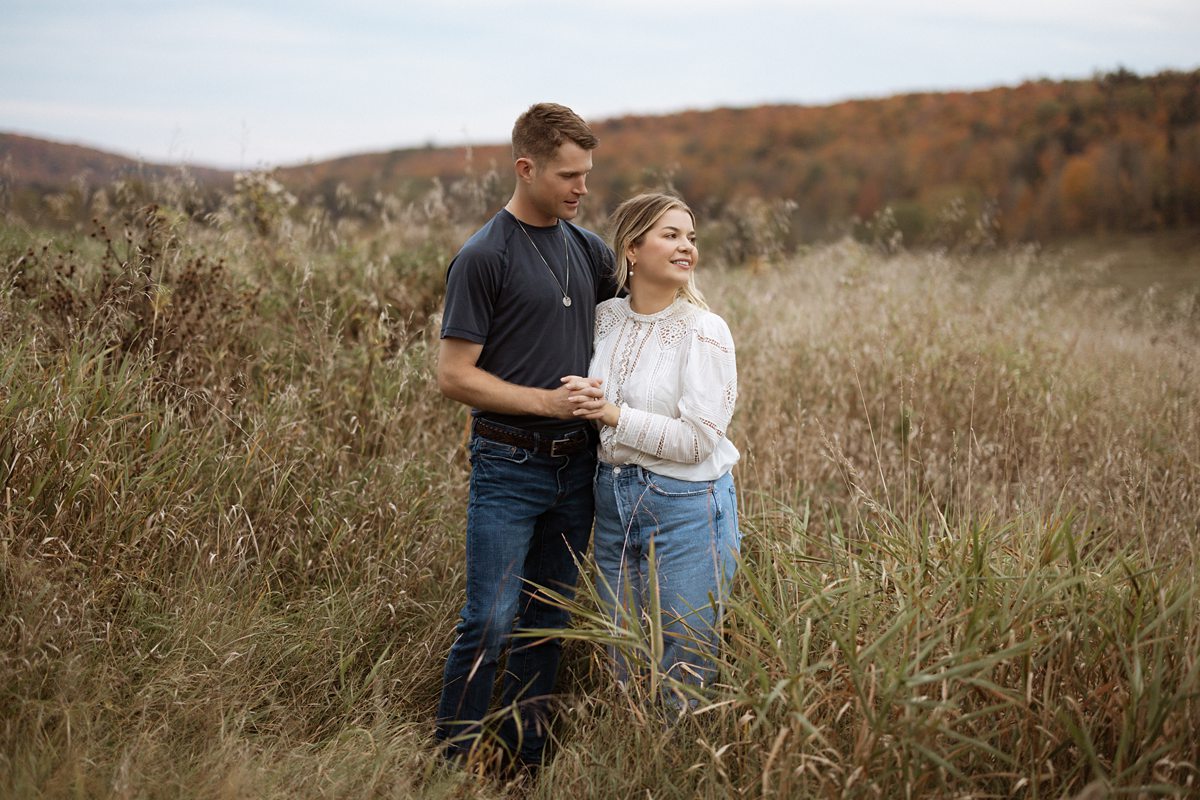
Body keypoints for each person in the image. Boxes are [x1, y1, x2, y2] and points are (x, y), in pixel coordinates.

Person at [434, 102, 616, 771]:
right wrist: (544, 401)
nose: (581, 188)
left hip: (578, 469)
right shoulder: (485, 256)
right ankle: (451, 765)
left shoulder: (589, 250)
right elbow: (454, 376)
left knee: (547, 624)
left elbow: (636, 318)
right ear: (526, 167)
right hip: (508, 463)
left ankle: (522, 764)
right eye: (569, 175)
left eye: (587, 175)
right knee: (490, 619)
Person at [566, 192, 740, 705]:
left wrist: (613, 415)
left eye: (691, 237)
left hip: (686, 506)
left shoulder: (704, 330)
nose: (686, 247)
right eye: (671, 235)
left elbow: (699, 439)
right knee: (623, 660)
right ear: (632, 248)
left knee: (684, 669)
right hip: (611, 500)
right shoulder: (604, 319)